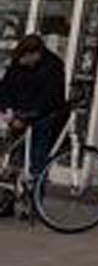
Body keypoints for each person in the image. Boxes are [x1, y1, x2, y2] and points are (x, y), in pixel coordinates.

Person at [0, 35, 68, 176]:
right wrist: (8, 109)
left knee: (38, 158)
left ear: (35, 54)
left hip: (44, 118)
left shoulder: (53, 66)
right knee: (15, 154)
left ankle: (35, 190)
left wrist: (25, 117)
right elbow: (5, 87)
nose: (22, 62)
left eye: (25, 59)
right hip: (19, 114)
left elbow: (50, 99)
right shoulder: (18, 63)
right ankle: (13, 189)